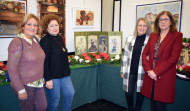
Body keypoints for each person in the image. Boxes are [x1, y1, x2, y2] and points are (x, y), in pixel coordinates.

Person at [141, 11, 183, 111]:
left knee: (160, 106)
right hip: (150, 75)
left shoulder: (177, 36)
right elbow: (144, 54)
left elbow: (173, 59)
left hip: (164, 76)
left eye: (166, 19)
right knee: (152, 104)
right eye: (161, 19)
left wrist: (156, 72)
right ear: (157, 22)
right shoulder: (153, 35)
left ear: (171, 22)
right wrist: (149, 71)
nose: (163, 22)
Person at [7, 13, 47, 111]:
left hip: (38, 83)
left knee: (43, 107)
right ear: (23, 26)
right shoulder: (17, 42)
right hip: (25, 84)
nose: (32, 27)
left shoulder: (36, 40)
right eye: (29, 24)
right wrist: (20, 89)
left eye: (35, 25)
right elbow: (12, 69)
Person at [40, 14, 75, 111]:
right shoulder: (44, 41)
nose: (55, 28)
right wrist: (48, 79)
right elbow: (44, 61)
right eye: (51, 26)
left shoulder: (59, 38)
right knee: (55, 99)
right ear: (46, 28)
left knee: (70, 93)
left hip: (64, 74)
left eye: (56, 25)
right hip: (52, 76)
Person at [120, 18, 152, 111]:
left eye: (144, 25)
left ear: (147, 28)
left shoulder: (150, 40)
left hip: (143, 72)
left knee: (140, 93)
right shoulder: (130, 38)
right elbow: (125, 55)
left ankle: (137, 109)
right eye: (140, 25)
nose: (142, 27)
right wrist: (122, 70)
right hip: (130, 71)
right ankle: (130, 108)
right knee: (128, 92)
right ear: (137, 27)